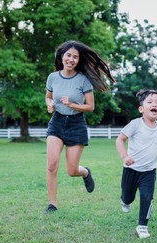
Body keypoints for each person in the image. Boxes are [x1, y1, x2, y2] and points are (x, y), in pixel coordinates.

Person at [44, 40, 115, 214]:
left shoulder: (83, 80)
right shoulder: (53, 77)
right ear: (62, 56)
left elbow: (90, 107)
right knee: (52, 164)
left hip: (76, 124)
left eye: (75, 57)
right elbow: (48, 96)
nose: (71, 59)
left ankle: (85, 173)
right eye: (68, 55)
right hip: (57, 122)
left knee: (71, 170)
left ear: (78, 60)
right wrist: (50, 104)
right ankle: (52, 204)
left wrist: (72, 104)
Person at [115, 89, 157, 238]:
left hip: (149, 171)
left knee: (147, 196)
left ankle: (142, 226)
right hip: (131, 169)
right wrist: (125, 156)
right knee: (128, 196)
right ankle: (125, 201)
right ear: (141, 109)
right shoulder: (135, 124)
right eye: (150, 102)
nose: (154, 104)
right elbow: (120, 139)